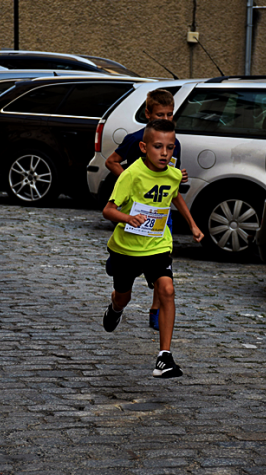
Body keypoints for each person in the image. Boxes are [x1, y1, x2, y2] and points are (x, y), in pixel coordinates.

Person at [101, 119, 204, 378]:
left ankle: (164, 357)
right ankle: (115, 308)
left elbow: (174, 195)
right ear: (144, 147)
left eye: (170, 148)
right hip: (126, 248)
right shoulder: (131, 175)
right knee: (123, 296)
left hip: (157, 244)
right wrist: (127, 218)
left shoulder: (172, 173)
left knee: (167, 289)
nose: (165, 153)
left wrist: (192, 225)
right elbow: (108, 209)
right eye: (159, 147)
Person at [105, 89, 188, 331]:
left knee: (162, 270)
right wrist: (132, 184)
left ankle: (156, 309)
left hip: (162, 211)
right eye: (161, 114)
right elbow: (111, 161)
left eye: (170, 114)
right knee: (127, 275)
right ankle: (118, 286)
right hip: (135, 212)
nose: (166, 118)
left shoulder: (174, 143)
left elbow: (170, 179)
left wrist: (177, 178)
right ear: (147, 114)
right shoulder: (135, 139)